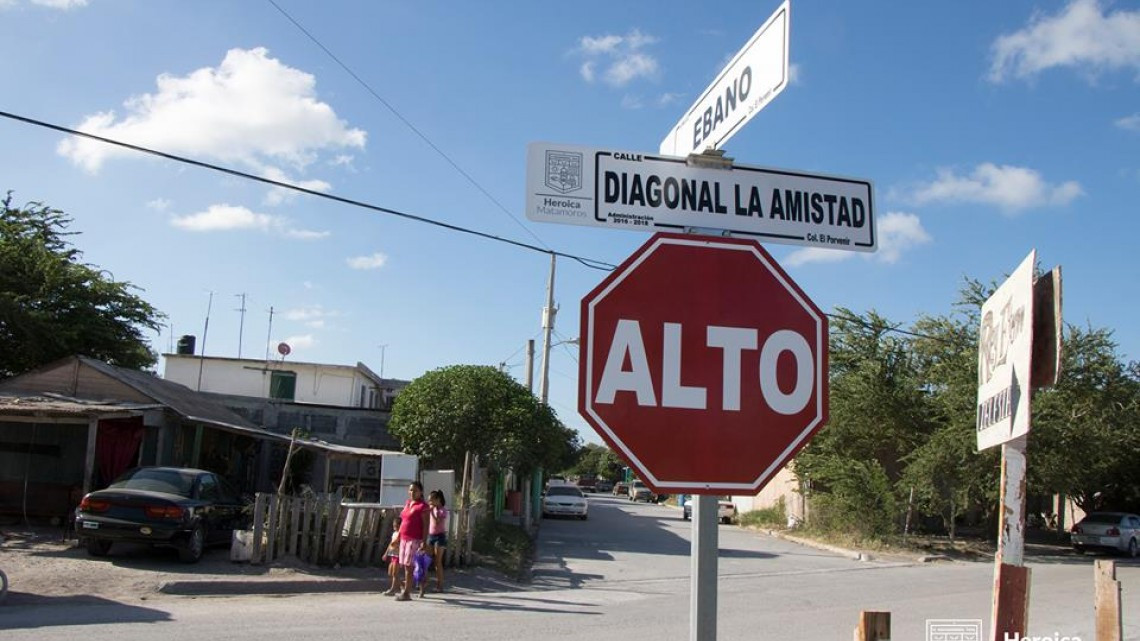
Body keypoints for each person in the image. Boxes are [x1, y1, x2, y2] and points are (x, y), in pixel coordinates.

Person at [395, 482, 429, 601]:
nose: (412, 493)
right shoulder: (408, 503)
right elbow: (403, 521)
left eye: (415, 490)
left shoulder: (423, 506)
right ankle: (421, 584)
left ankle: (406, 593)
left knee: (409, 567)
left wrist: (424, 542)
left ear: (420, 492)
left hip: (415, 540)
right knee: (406, 565)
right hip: (404, 539)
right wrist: (398, 536)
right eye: (410, 490)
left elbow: (426, 525)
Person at [427, 490, 448, 593]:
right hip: (431, 536)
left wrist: (432, 512)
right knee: (426, 559)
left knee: (437, 561)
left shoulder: (442, 510)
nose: (429, 503)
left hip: (440, 537)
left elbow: (438, 521)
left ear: (437, 500)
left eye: (431, 500)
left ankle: (440, 585)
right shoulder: (432, 509)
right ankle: (423, 582)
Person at [382, 517, 402, 596]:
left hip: (398, 555)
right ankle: (402, 585)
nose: (395, 527)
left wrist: (397, 544)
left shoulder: (401, 534)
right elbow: (390, 544)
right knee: (390, 572)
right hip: (392, 554)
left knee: (395, 573)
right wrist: (386, 553)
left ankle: (393, 589)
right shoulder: (394, 534)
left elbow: (400, 543)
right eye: (394, 526)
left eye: (396, 526)